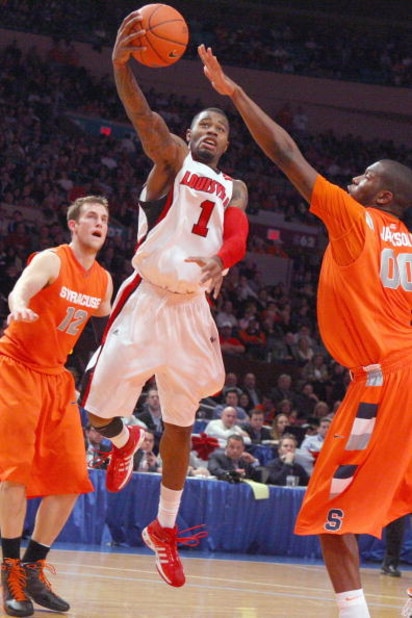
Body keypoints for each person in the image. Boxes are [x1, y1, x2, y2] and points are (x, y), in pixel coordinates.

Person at [198, 44, 412, 618]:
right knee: (398, 497)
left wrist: (235, 94)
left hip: (383, 380)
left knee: (327, 505)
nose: (353, 179)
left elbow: (287, 154)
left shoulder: (357, 219)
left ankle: (354, 613)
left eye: (365, 177)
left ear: (384, 197)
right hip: (406, 376)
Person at [81, 12, 249, 591]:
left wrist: (223, 260)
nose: (210, 132)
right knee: (97, 414)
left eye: (220, 129)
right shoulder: (173, 159)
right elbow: (146, 120)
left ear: (229, 142)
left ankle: (165, 528)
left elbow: (239, 233)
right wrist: (121, 66)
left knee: (181, 421)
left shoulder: (234, 188)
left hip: (192, 310)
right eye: (203, 123)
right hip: (147, 298)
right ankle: (124, 438)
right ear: (190, 131)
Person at [0, 195, 112, 617]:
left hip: (56, 377)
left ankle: (32, 568)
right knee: (13, 475)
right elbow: (21, 289)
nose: (99, 223)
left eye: (104, 219)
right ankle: (9, 572)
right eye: (91, 217)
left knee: (70, 479)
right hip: (14, 368)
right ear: (73, 225)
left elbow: (106, 313)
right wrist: (18, 307)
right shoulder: (52, 260)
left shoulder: (103, 281)